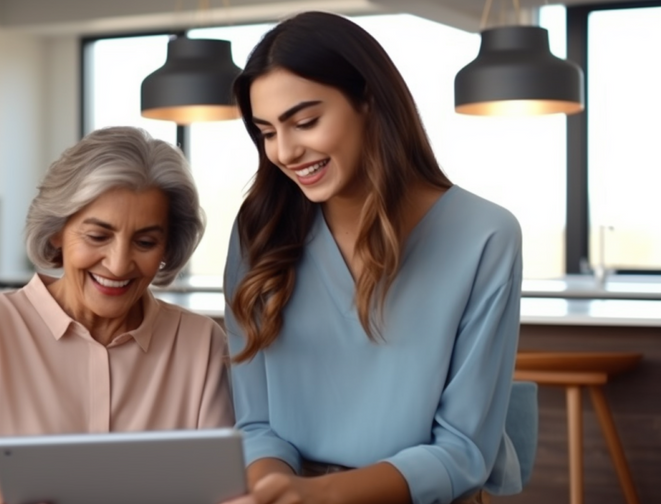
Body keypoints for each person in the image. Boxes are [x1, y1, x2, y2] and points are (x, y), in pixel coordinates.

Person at [221, 11, 523, 504]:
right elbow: (255, 422)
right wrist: (278, 489)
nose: (285, 151)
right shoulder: (260, 231)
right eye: (267, 132)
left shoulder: (485, 235)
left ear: (368, 99)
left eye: (305, 122)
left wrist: (323, 495)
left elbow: (462, 450)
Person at [0, 126, 235, 504]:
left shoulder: (201, 344)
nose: (118, 265)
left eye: (146, 242)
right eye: (98, 236)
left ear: (168, 247)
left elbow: (224, 494)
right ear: (57, 232)